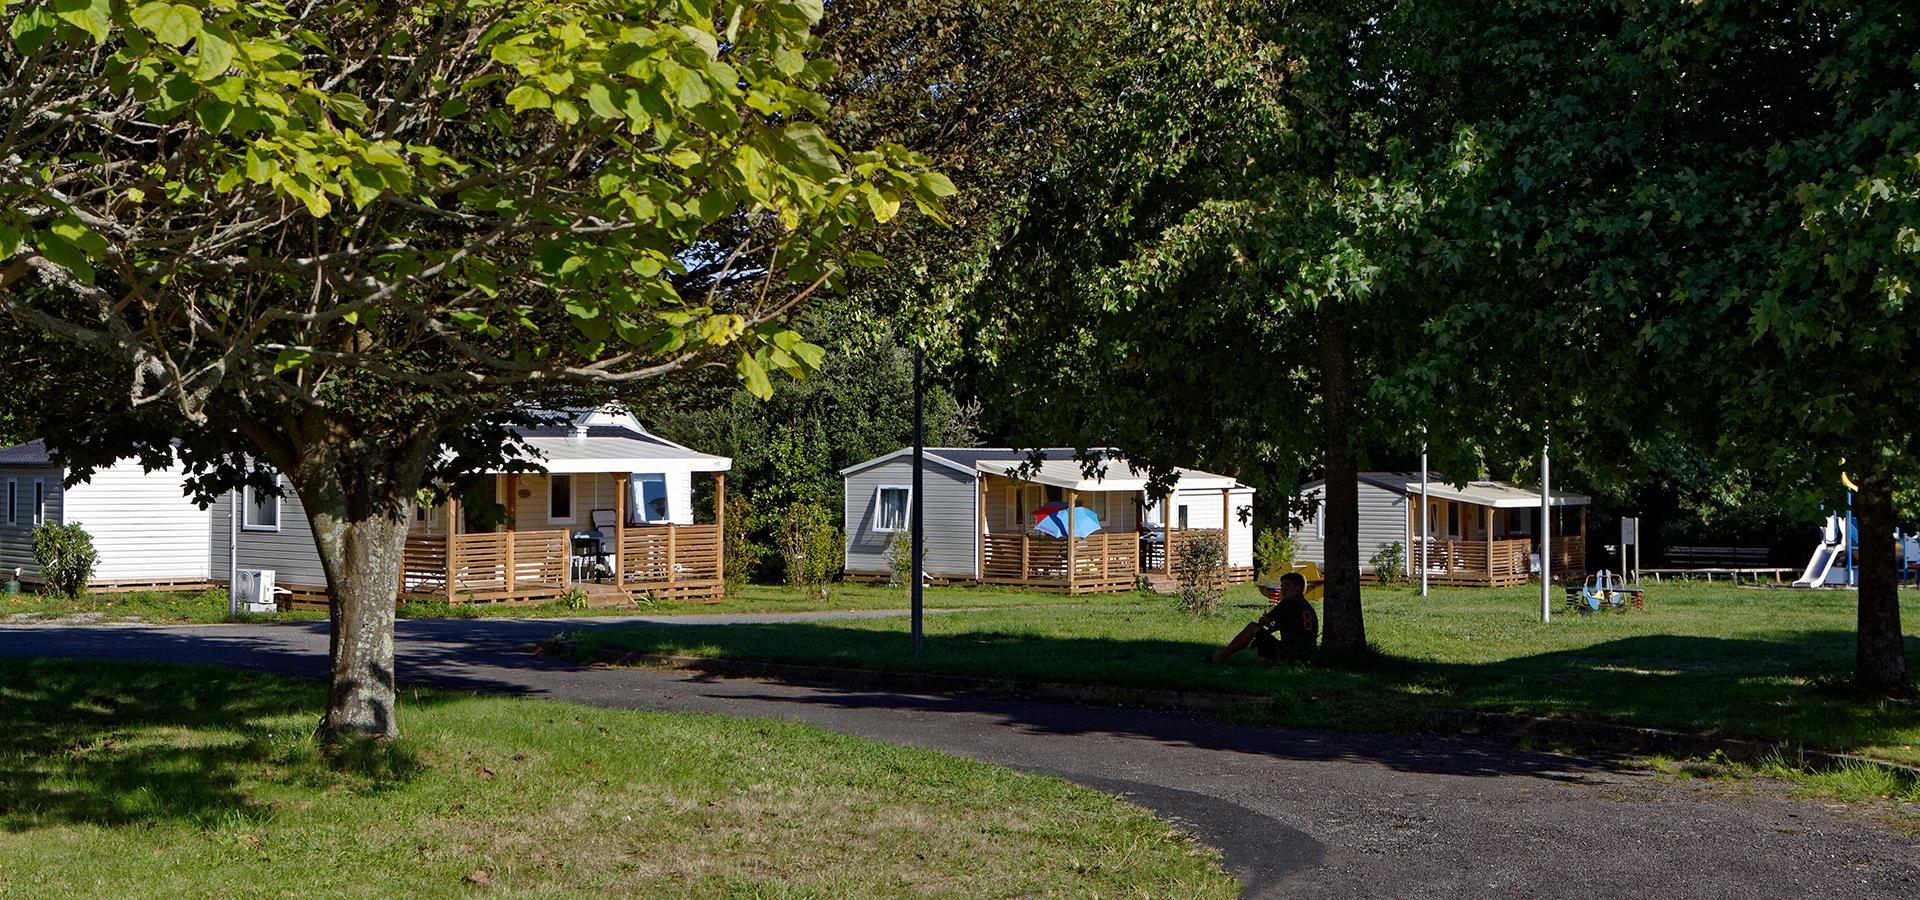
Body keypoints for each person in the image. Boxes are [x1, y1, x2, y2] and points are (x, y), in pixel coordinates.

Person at [1208, 571, 1317, 662]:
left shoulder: (1288, 602)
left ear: (1298, 587)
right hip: (1307, 655)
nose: (1283, 589)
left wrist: (1264, 625)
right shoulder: (1307, 606)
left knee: (1252, 627)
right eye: (1282, 586)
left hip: (1289, 655)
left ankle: (1217, 657)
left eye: (1287, 585)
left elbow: (1263, 622)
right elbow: (1288, 626)